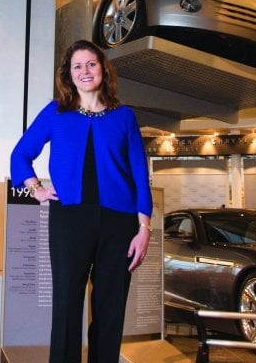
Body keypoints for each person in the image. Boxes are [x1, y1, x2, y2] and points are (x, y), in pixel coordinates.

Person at [10, 40, 152, 363]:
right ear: (69, 75)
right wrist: (36, 188)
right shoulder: (56, 113)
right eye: (77, 66)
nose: (85, 71)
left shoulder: (125, 117)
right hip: (69, 221)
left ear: (103, 69)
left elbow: (140, 174)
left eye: (91, 64)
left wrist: (145, 228)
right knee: (66, 306)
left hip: (120, 224)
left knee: (110, 308)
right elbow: (21, 154)